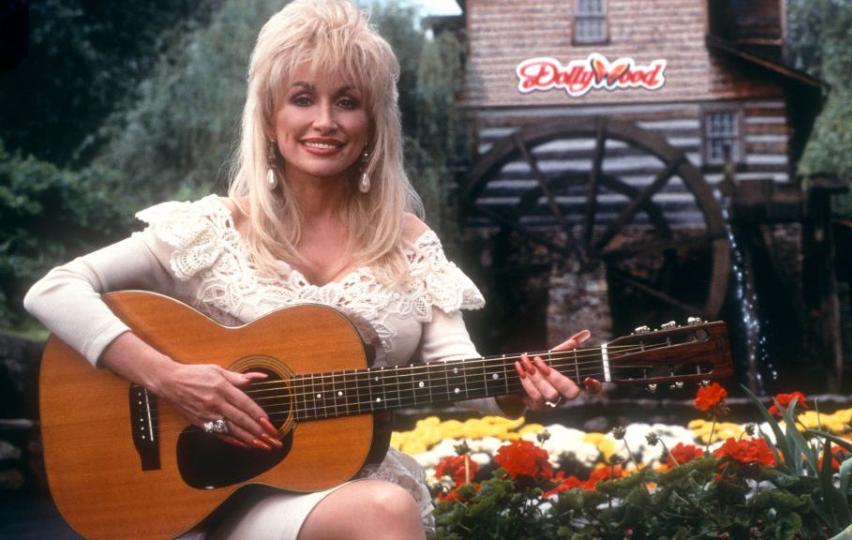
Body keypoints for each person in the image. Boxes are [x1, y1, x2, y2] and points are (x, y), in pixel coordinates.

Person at [23, 1, 597, 538]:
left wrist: (522, 388)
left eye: (347, 102)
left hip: (345, 482)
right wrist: (169, 378)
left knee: (381, 504)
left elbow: (453, 365)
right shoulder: (211, 229)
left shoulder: (409, 241)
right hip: (220, 492)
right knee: (384, 511)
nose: (324, 121)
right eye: (302, 98)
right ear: (270, 116)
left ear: (373, 122)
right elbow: (54, 290)